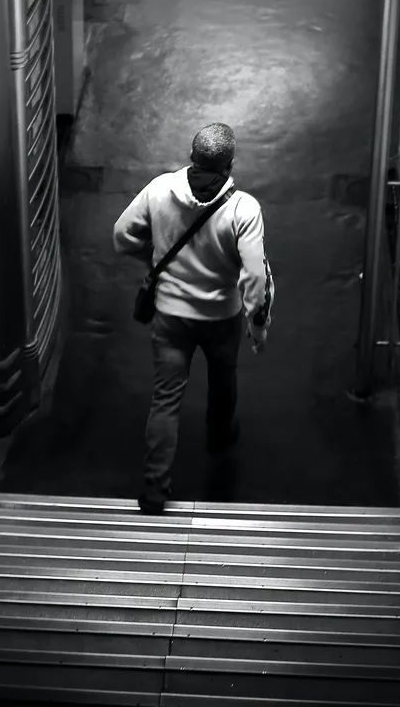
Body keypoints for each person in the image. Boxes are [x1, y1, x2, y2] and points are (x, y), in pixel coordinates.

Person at [114, 123, 274, 514]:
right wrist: (257, 324)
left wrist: (153, 261)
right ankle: (219, 437)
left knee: (165, 399)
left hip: (170, 316)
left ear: (192, 155)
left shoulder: (159, 189)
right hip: (221, 317)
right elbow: (254, 275)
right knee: (223, 379)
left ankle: (154, 489)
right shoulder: (243, 209)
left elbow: (122, 235)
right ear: (230, 162)